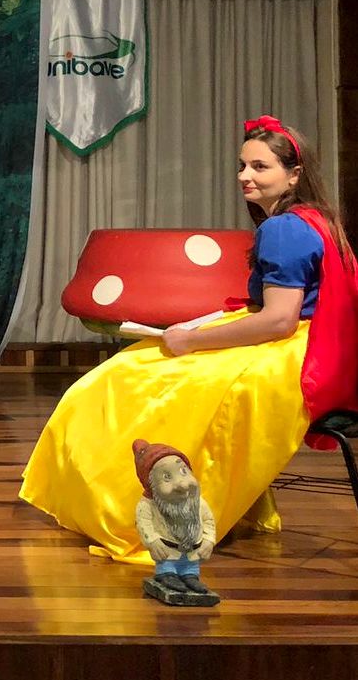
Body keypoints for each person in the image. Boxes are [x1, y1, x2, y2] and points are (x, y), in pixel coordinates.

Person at [20, 116, 358, 563]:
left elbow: (278, 320)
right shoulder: (314, 219)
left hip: (294, 353)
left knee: (125, 379)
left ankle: (141, 513)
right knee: (143, 362)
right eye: (242, 166)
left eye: (260, 167)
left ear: (294, 175)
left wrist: (192, 343)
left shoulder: (284, 229)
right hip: (317, 345)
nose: (245, 176)